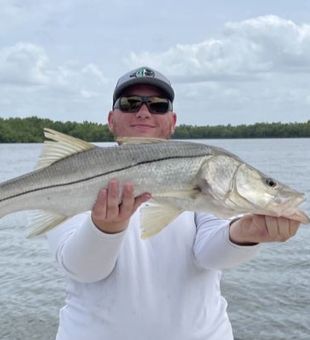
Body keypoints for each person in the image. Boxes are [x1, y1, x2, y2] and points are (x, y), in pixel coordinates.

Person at [47, 66, 301, 340]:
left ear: (173, 120)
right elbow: (83, 270)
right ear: (111, 119)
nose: (144, 112)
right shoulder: (71, 176)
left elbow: (210, 255)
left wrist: (247, 234)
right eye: (130, 104)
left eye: (158, 106)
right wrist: (104, 229)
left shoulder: (209, 180)